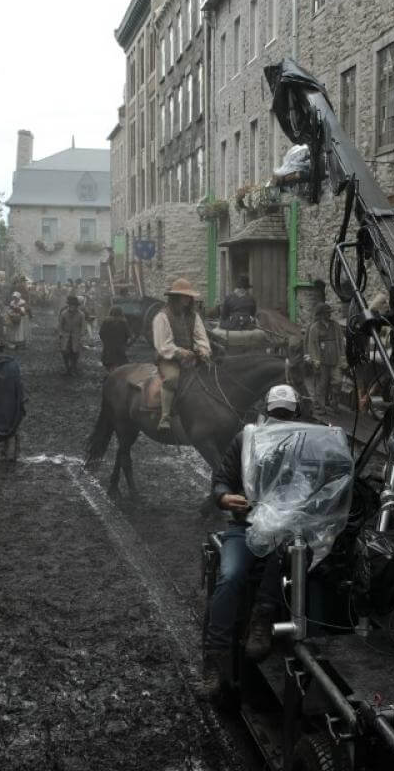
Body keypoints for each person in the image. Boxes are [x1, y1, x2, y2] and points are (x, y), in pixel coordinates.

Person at [201, 385, 303, 697]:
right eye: (276, 414)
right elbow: (221, 480)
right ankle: (215, 659)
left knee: (285, 555)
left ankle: (262, 617)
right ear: (266, 412)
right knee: (230, 575)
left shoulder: (303, 445)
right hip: (244, 527)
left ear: (296, 415)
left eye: (286, 415)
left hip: (285, 529)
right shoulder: (246, 439)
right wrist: (224, 497)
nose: (280, 419)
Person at [153, 278, 211, 432]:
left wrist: (203, 350)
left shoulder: (193, 316)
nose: (186, 299)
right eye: (182, 296)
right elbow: (162, 344)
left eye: (188, 296)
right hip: (169, 358)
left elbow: (200, 336)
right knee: (172, 379)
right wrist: (179, 352)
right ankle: (165, 417)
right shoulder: (162, 316)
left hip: (191, 357)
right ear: (175, 297)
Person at [303, 301, 342, 413]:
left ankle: (335, 403)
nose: (328, 315)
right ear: (320, 314)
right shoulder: (314, 327)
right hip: (321, 360)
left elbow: (340, 342)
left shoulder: (335, 326)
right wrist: (315, 360)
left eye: (329, 312)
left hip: (335, 359)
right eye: (326, 313)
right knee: (322, 384)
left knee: (338, 381)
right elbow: (312, 344)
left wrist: (342, 358)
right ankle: (320, 407)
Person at [56, 295, 88, 375]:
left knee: (75, 353)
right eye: (71, 305)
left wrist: (82, 334)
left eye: (74, 305)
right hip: (65, 336)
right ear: (69, 305)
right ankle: (67, 368)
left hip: (76, 336)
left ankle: (74, 367)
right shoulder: (64, 313)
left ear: (77, 306)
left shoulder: (81, 315)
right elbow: (60, 325)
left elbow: (83, 326)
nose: (72, 307)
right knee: (65, 352)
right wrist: (60, 333)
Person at [99, 306, 132, 371]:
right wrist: (125, 343)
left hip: (108, 347)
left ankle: (110, 374)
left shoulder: (106, 321)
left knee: (109, 362)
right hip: (120, 347)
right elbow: (128, 334)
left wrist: (105, 341)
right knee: (120, 363)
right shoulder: (123, 322)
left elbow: (101, 333)